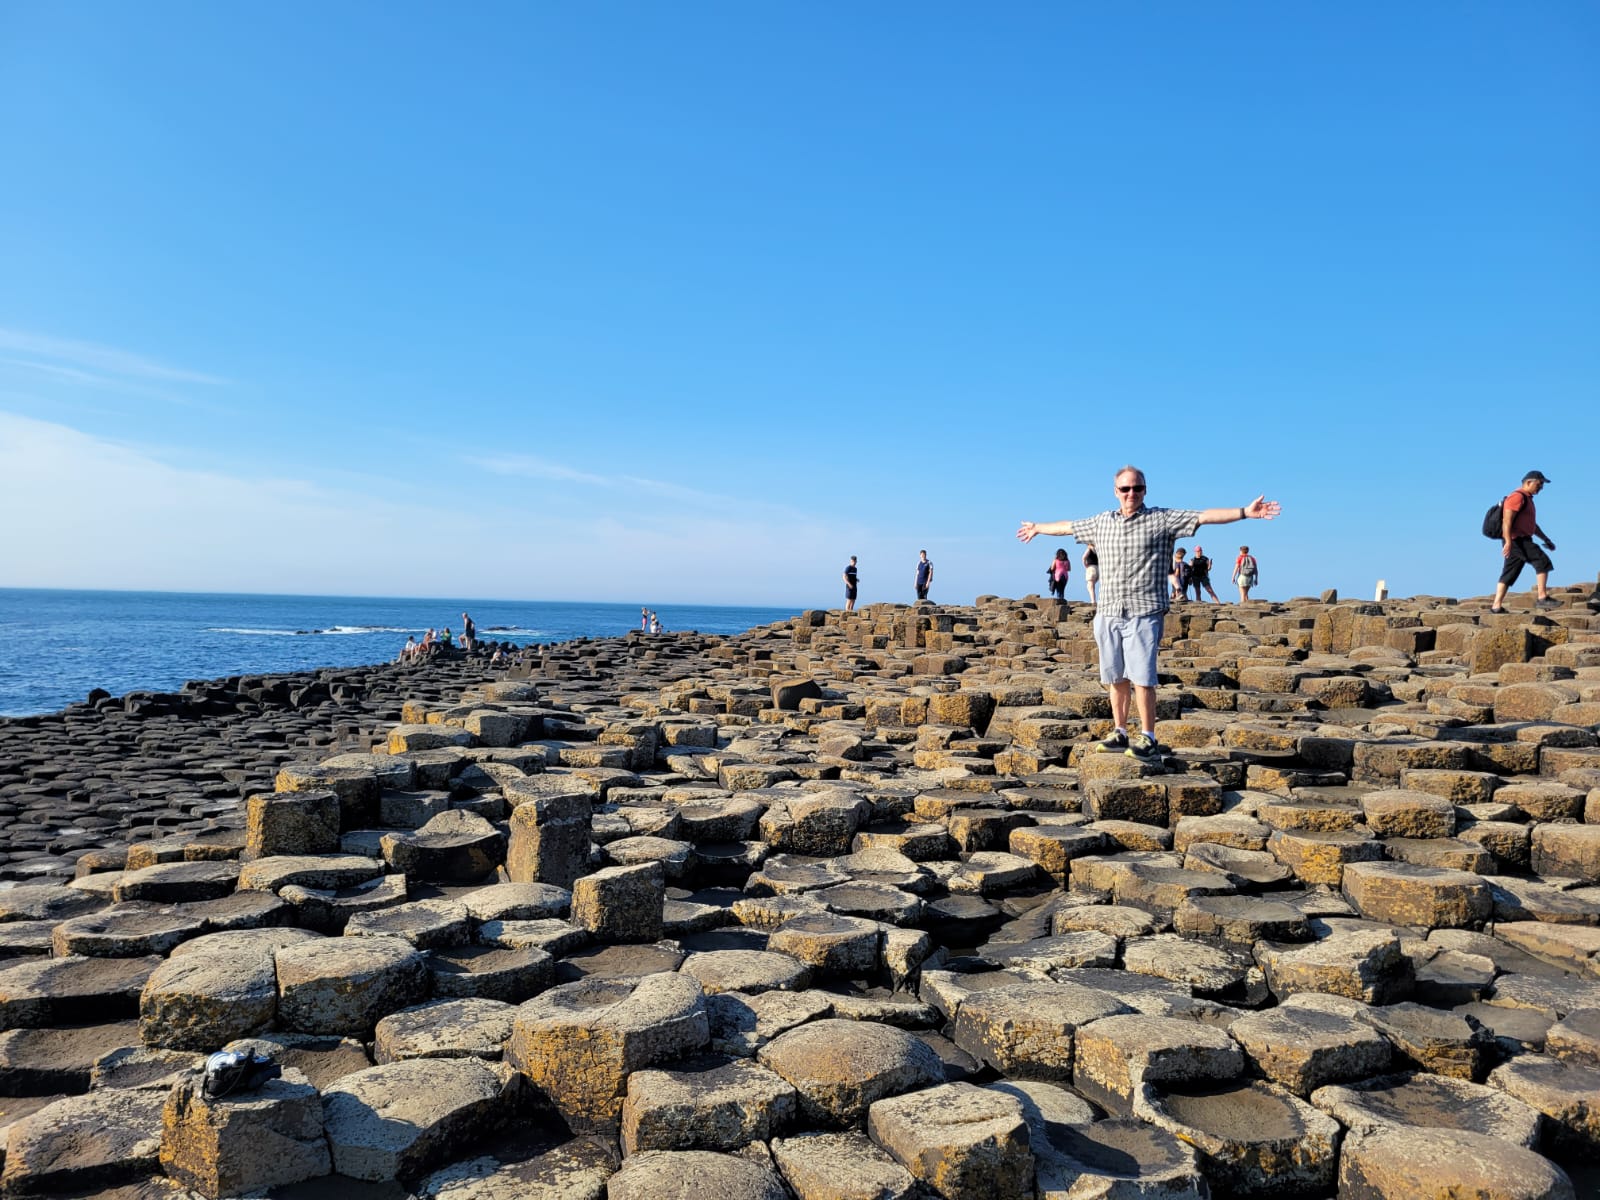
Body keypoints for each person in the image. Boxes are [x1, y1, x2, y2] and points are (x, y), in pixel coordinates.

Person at [1017, 464, 1281, 762]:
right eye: (1125, 488)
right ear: (1116, 491)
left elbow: (1204, 516)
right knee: (1115, 675)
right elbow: (1067, 526)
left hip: (1144, 611)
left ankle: (1148, 736)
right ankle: (1119, 732)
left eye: (1137, 488)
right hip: (1108, 610)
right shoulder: (1101, 522)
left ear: (1145, 490)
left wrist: (1245, 512)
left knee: (1142, 677)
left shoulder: (1162, 519)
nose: (1131, 493)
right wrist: (1037, 528)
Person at [1492, 471, 1559, 613]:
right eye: (1539, 484)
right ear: (1529, 482)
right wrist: (1508, 541)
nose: (1541, 488)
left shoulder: (1528, 499)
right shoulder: (1517, 497)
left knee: (1510, 572)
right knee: (1542, 561)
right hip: (1517, 540)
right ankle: (1542, 597)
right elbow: (1506, 521)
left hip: (1519, 540)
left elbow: (1532, 526)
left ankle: (1496, 606)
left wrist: (1546, 539)